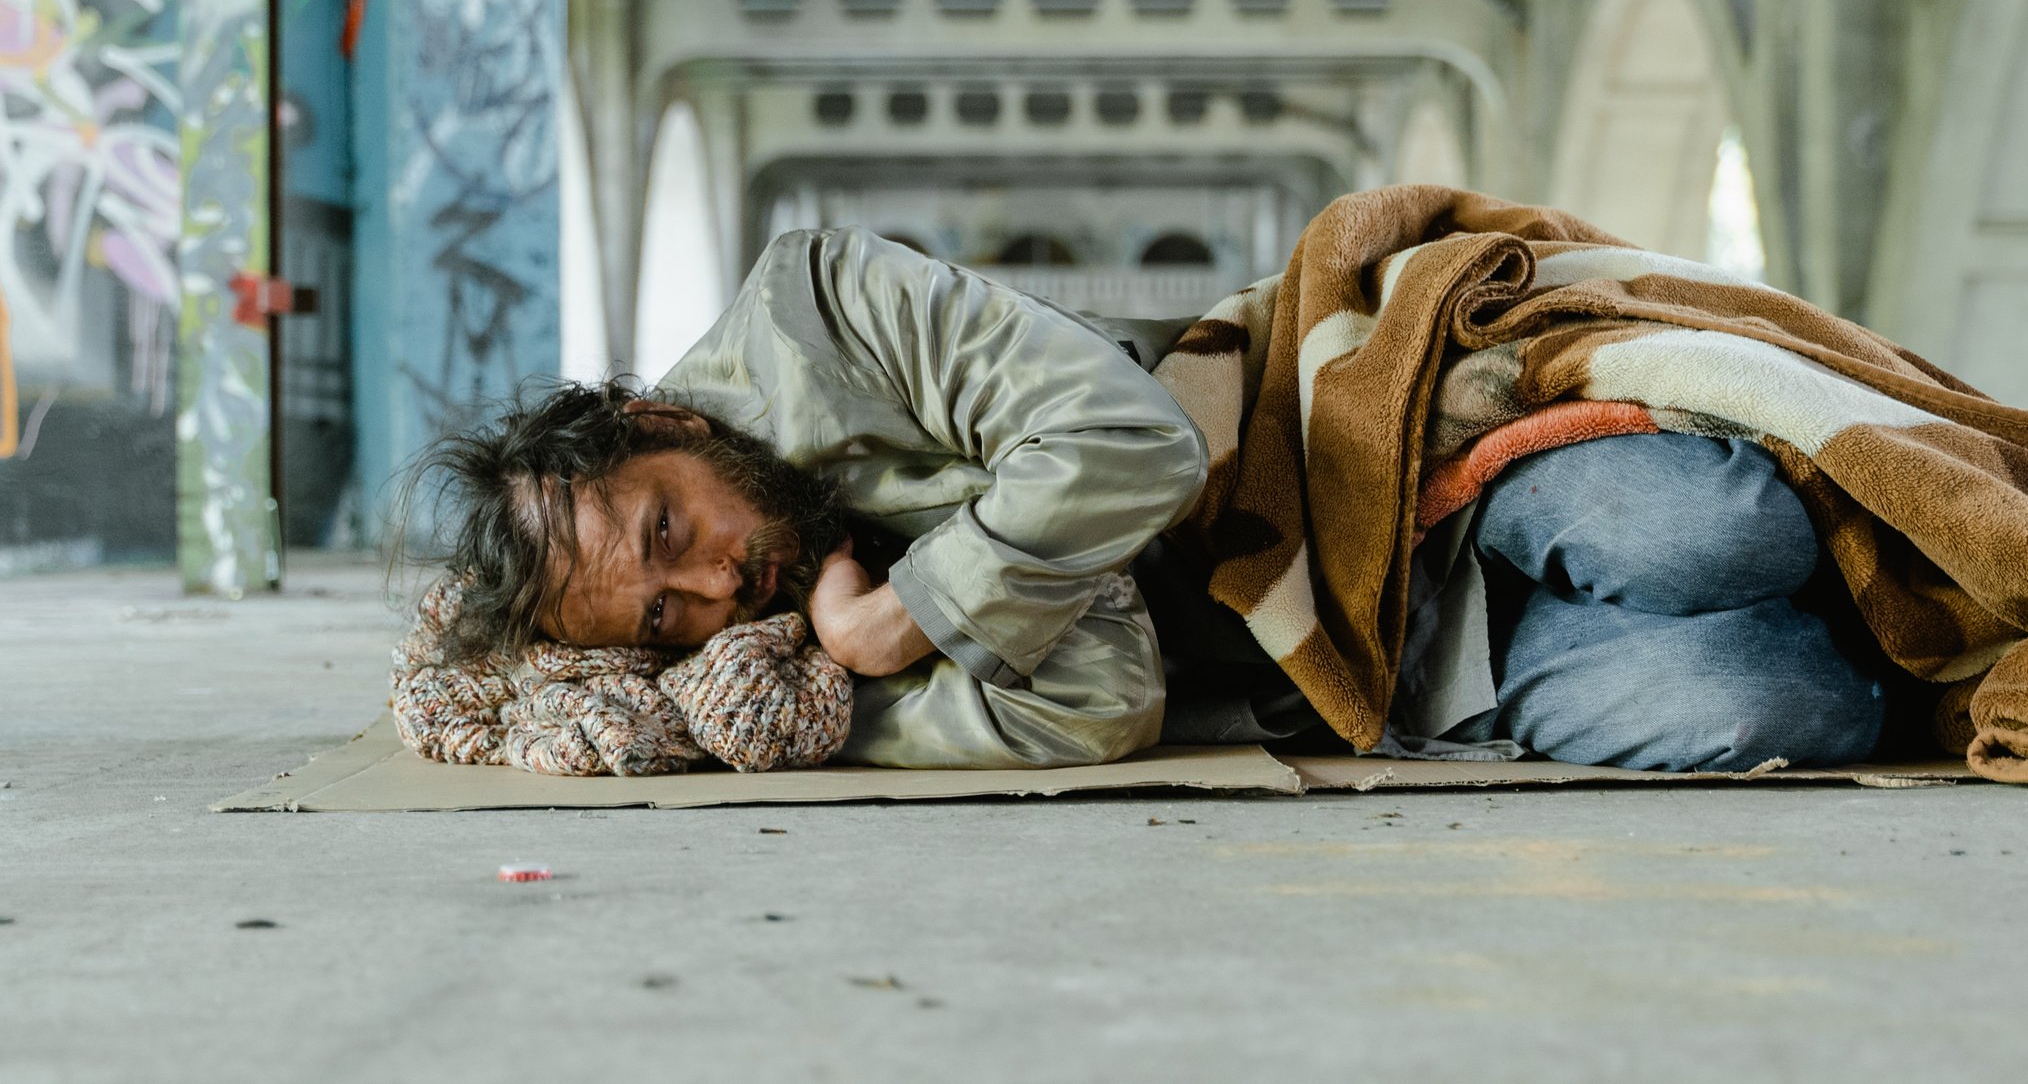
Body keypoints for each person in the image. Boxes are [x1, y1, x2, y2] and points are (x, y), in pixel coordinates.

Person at [399, 225, 1887, 772]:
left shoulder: (826, 310)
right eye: (664, 616)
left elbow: (1132, 443)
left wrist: (921, 606)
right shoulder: (785, 683)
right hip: (1362, 671)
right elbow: (1098, 709)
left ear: (660, 422)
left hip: (1361, 487)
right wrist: (852, 682)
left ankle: (1892, 558)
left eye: (672, 531)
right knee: (1779, 700)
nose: (718, 589)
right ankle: (1905, 638)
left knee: (1723, 530)